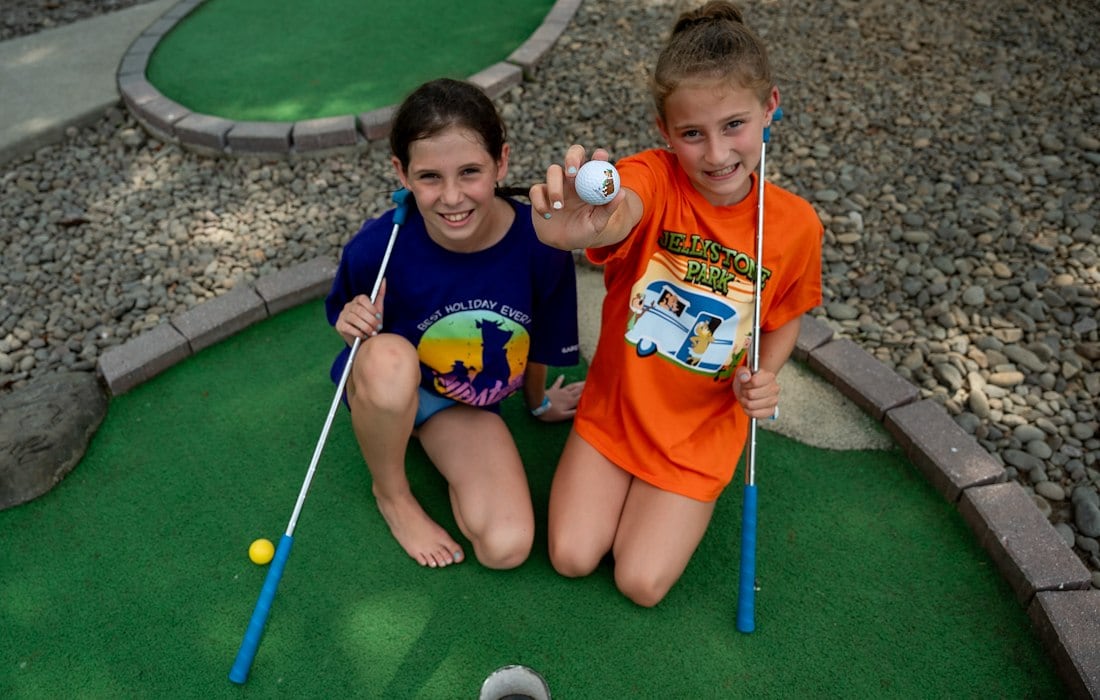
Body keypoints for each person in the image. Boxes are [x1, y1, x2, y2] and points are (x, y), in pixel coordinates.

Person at [529, 1, 823, 606]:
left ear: (770, 106)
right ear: (666, 132)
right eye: (692, 133)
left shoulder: (794, 225)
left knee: (640, 583)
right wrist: (591, 227)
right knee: (571, 556)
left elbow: (784, 315)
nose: (716, 154)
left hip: (701, 433)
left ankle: (662, 497)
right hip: (616, 411)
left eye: (734, 125)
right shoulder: (653, 177)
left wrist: (766, 374)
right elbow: (622, 209)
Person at [327, 78, 583, 570]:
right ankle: (392, 493)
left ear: (501, 163)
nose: (451, 197)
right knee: (386, 359)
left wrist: (538, 402)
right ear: (401, 173)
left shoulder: (541, 242)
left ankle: (415, 428)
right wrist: (352, 323)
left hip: (461, 402)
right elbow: (347, 318)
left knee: (505, 547)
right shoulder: (375, 248)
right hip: (392, 379)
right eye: (429, 177)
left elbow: (539, 340)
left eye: (469, 172)